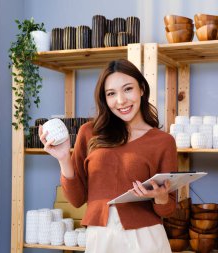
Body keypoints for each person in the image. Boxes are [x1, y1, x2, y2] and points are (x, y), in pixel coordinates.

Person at [39, 59, 178, 253]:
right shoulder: (89, 133)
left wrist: (161, 197)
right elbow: (77, 199)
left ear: (142, 89)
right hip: (100, 237)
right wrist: (64, 159)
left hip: (146, 238)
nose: (121, 100)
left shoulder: (163, 141)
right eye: (111, 93)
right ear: (104, 98)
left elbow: (169, 209)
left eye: (128, 89)